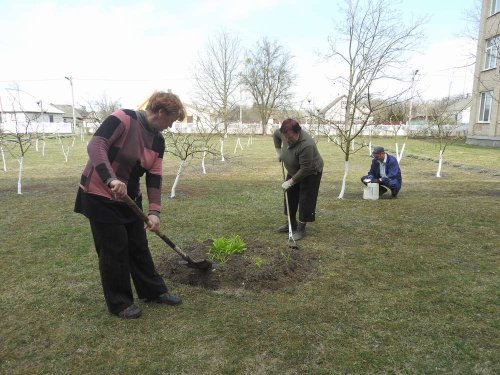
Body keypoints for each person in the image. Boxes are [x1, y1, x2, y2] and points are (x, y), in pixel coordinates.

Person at [74, 91, 185, 319]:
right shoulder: (123, 118)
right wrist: (111, 178)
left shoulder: (158, 140)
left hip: (129, 197)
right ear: (161, 112)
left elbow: (154, 175)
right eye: (171, 121)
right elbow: (96, 146)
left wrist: (154, 212)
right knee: (114, 248)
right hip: (99, 193)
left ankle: (153, 291)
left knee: (138, 246)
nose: (170, 127)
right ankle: (120, 302)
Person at [273, 118, 324, 240]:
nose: (288, 141)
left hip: (311, 172)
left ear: (298, 132)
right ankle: (291, 224)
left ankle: (301, 229)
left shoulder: (307, 144)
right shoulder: (284, 133)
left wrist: (290, 181)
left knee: (305, 199)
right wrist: (278, 151)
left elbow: (306, 169)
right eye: (286, 138)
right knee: (290, 195)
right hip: (294, 169)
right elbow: (275, 135)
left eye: (291, 138)